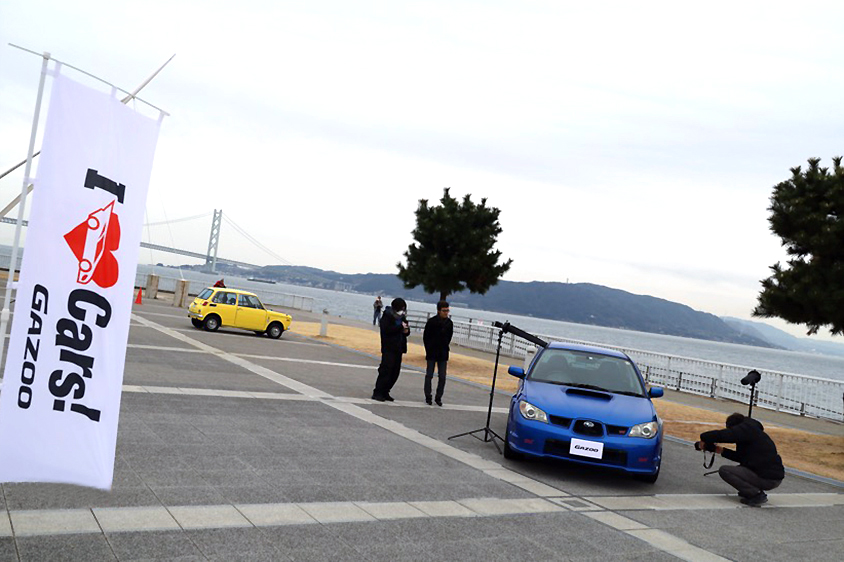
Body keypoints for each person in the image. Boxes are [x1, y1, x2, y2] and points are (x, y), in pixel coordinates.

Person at [697, 412, 784, 507]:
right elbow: (741, 457)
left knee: (725, 470)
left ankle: (756, 494)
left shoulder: (745, 430)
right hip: (773, 477)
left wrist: (704, 437)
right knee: (740, 468)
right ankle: (750, 490)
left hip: (767, 478)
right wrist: (720, 450)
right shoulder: (753, 432)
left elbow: (723, 435)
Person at [371, 298, 410, 402]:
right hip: (389, 347)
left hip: (399, 347)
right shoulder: (387, 316)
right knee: (386, 370)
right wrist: (399, 328)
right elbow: (387, 331)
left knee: (395, 371)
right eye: (401, 308)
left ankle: (386, 391)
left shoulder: (402, 318)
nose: (402, 311)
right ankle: (378, 392)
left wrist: (406, 330)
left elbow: (406, 331)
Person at [423, 300, 453, 406]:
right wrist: (428, 349)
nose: (446, 313)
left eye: (447, 310)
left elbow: (449, 337)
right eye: (444, 311)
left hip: (443, 353)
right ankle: (428, 396)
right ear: (438, 311)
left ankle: (438, 397)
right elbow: (426, 337)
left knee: (442, 376)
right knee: (429, 375)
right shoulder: (431, 322)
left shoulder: (449, 323)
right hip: (432, 352)